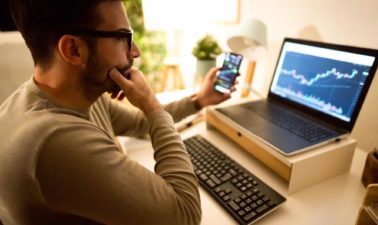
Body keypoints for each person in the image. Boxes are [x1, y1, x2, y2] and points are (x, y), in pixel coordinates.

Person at [0, 1, 237, 225]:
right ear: (73, 49)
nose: (135, 52)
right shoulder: (55, 140)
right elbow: (184, 215)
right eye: (124, 37)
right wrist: (152, 105)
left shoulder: (68, 96)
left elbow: (139, 124)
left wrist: (199, 100)